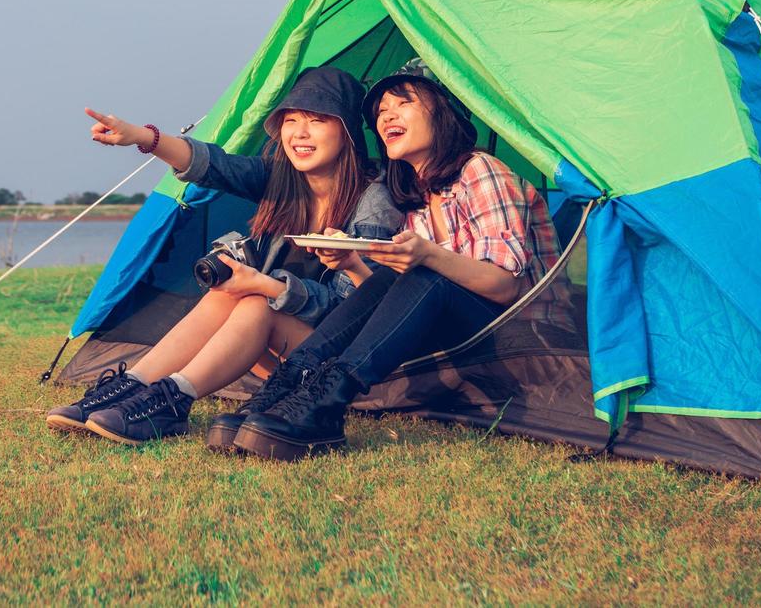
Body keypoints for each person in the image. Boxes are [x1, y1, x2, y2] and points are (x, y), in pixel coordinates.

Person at [45, 66, 404, 447]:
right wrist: (141, 137)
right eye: (291, 119)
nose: (299, 133)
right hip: (287, 357)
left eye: (316, 120)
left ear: (346, 131)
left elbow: (353, 309)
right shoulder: (282, 181)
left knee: (255, 302)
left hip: (341, 364)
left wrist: (264, 285)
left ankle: (174, 401)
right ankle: (134, 386)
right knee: (229, 293)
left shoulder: (373, 199)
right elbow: (212, 165)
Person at [230, 59, 563, 461]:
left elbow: (506, 286)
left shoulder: (481, 170)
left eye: (402, 104)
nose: (386, 116)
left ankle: (327, 402)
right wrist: (352, 261)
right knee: (393, 277)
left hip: (529, 345)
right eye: (381, 112)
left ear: (443, 111)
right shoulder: (416, 198)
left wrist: (428, 255)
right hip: (458, 340)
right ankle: (289, 385)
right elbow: (393, 298)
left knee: (426, 271)